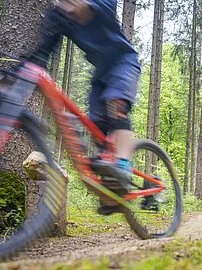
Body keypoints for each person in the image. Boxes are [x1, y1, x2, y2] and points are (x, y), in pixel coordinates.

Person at [22, 0, 141, 215]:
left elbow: (108, 5)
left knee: (116, 105)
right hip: (100, 72)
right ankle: (111, 187)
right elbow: (44, 49)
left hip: (124, 62)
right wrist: (28, 67)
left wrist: (90, 5)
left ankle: (123, 167)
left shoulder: (97, 4)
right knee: (96, 126)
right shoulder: (61, 15)